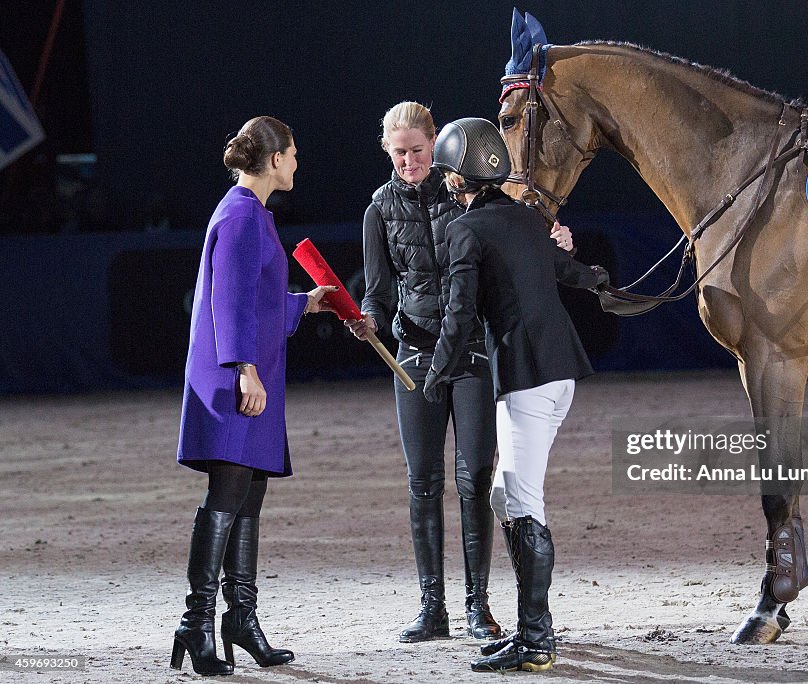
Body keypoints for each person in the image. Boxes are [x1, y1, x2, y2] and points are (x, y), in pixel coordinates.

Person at [345, 101, 575, 643]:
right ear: (388, 152)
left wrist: (555, 244)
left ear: (436, 147)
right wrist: (368, 322)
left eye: (417, 152)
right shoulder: (377, 209)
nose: (408, 162)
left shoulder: (468, 196)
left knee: (474, 480)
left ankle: (478, 605)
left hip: (472, 352)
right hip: (413, 356)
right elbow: (378, 293)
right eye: (398, 153)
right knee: (422, 483)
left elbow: (521, 247)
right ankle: (433, 608)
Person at [424, 117, 608, 673]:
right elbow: (566, 270)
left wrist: (436, 374)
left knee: (523, 500)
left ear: (459, 178)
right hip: (559, 374)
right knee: (507, 497)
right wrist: (599, 278)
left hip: (527, 377)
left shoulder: (465, 231)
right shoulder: (528, 218)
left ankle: (536, 639)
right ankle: (530, 631)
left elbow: (458, 317)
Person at [171, 115, 336, 676]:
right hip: (235, 376)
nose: (296, 163)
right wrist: (245, 370)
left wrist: (305, 303)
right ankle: (197, 625)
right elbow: (231, 304)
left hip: (246, 370)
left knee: (249, 495)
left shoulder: (251, 214)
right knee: (228, 494)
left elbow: (258, 300)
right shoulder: (243, 215)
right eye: (292, 154)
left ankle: (240, 619)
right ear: (272, 159)